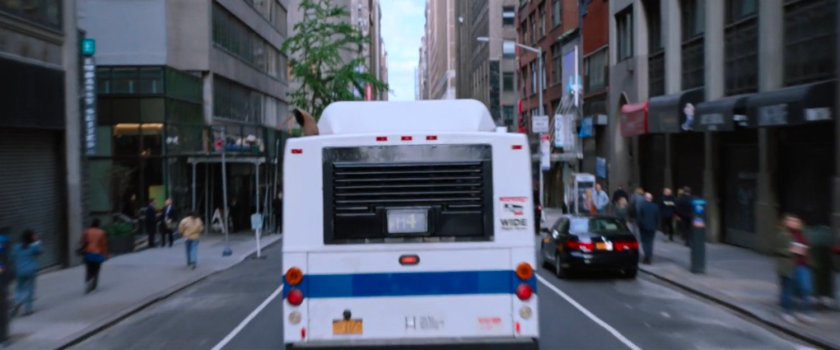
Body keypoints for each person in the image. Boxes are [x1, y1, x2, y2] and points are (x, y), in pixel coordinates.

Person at [774, 213, 815, 324]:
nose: (793, 223)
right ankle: (787, 312)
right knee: (788, 290)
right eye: (790, 221)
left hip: (803, 265)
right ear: (786, 222)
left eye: (795, 221)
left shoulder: (803, 233)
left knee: (806, 289)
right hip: (789, 266)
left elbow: (808, 247)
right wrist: (791, 250)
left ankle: (806, 313)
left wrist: (807, 253)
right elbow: (777, 249)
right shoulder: (783, 234)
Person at [11, 229, 42, 316]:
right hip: (31, 271)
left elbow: (12, 258)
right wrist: (37, 241)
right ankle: (28, 309)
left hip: (19, 271)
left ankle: (17, 302)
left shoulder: (16, 247)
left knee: (19, 288)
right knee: (30, 290)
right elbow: (40, 251)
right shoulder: (33, 247)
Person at [81, 219, 109, 293]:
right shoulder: (102, 233)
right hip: (97, 254)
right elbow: (103, 245)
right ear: (98, 225)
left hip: (88, 253)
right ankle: (94, 285)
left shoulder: (86, 231)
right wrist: (105, 255)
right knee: (96, 269)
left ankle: (88, 281)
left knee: (89, 269)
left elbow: (82, 242)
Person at [636, 193, 660, 264]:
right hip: (652, 227)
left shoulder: (642, 206)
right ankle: (649, 255)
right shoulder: (655, 206)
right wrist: (657, 226)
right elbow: (657, 217)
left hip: (644, 227)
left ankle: (647, 256)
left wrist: (639, 225)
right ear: (651, 199)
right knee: (650, 242)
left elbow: (639, 217)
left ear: (645, 198)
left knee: (644, 242)